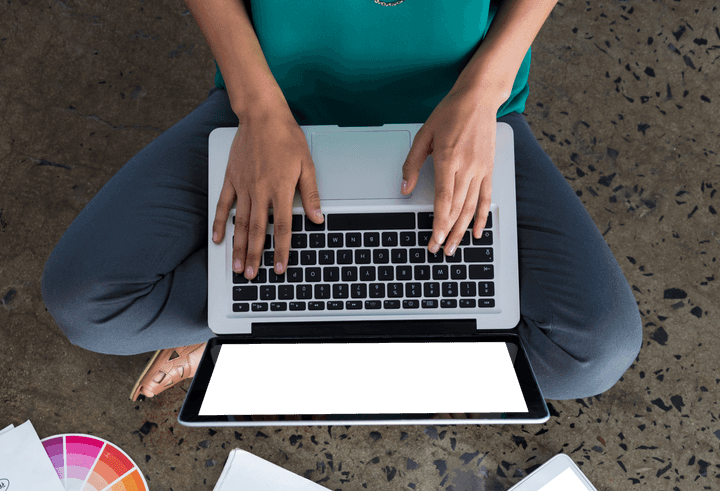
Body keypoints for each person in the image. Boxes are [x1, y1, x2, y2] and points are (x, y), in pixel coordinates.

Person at [41, 0, 642, 402]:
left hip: (458, 108)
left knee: (595, 350)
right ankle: (333, 318)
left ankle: (257, 332)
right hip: (278, 104)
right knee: (85, 303)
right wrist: (257, 107)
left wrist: (486, 92)